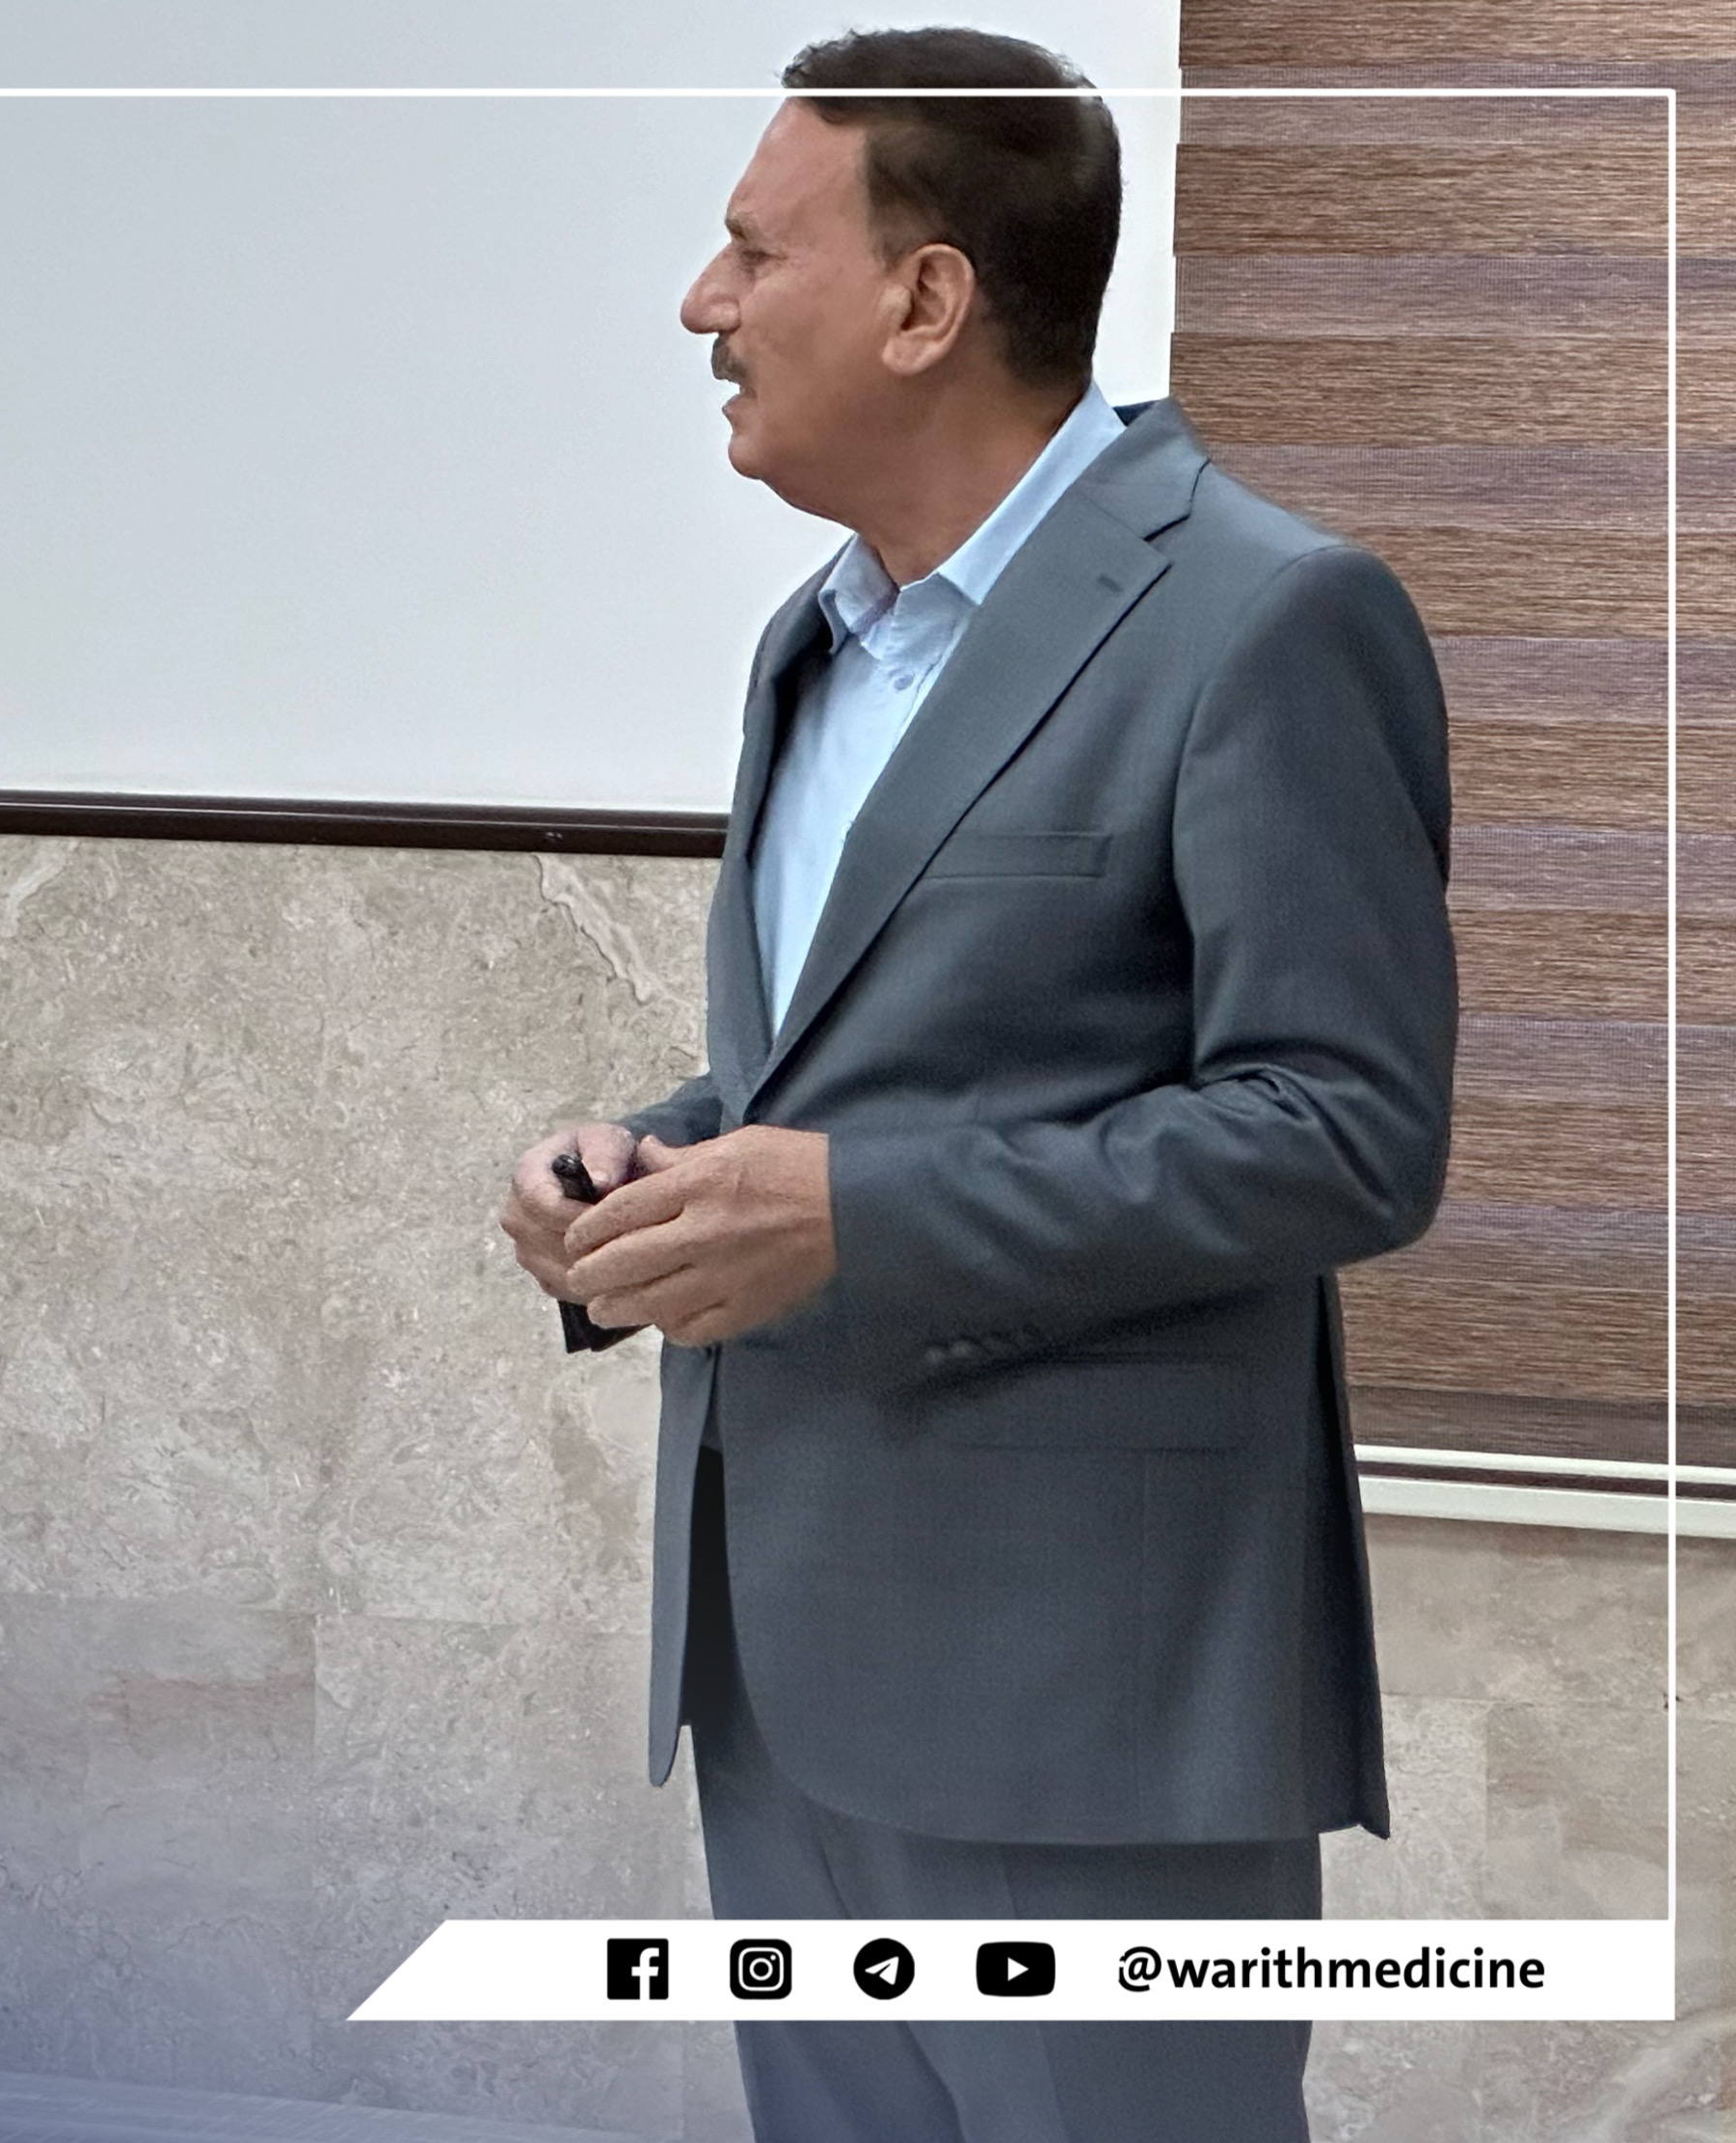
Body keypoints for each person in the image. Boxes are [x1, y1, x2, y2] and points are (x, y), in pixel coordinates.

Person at [494, 28, 1452, 2141]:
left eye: (755, 252)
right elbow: (871, 1056)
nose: (701, 304)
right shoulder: (813, 640)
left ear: (927, 300)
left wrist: (851, 1218)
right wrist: (653, 1163)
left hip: (1086, 1710)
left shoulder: (1268, 620)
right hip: (778, 1678)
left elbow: (1343, 1128)